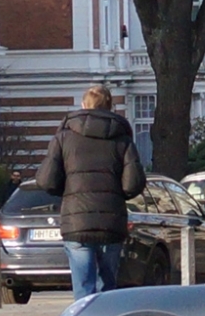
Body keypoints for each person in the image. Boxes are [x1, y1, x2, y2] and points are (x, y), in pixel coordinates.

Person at [34, 85, 146, 300]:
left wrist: (68, 192)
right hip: (111, 222)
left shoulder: (63, 138)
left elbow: (46, 180)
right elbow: (133, 183)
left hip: (77, 221)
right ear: (110, 107)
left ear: (83, 106)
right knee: (108, 289)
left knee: (83, 288)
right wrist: (116, 194)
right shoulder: (122, 140)